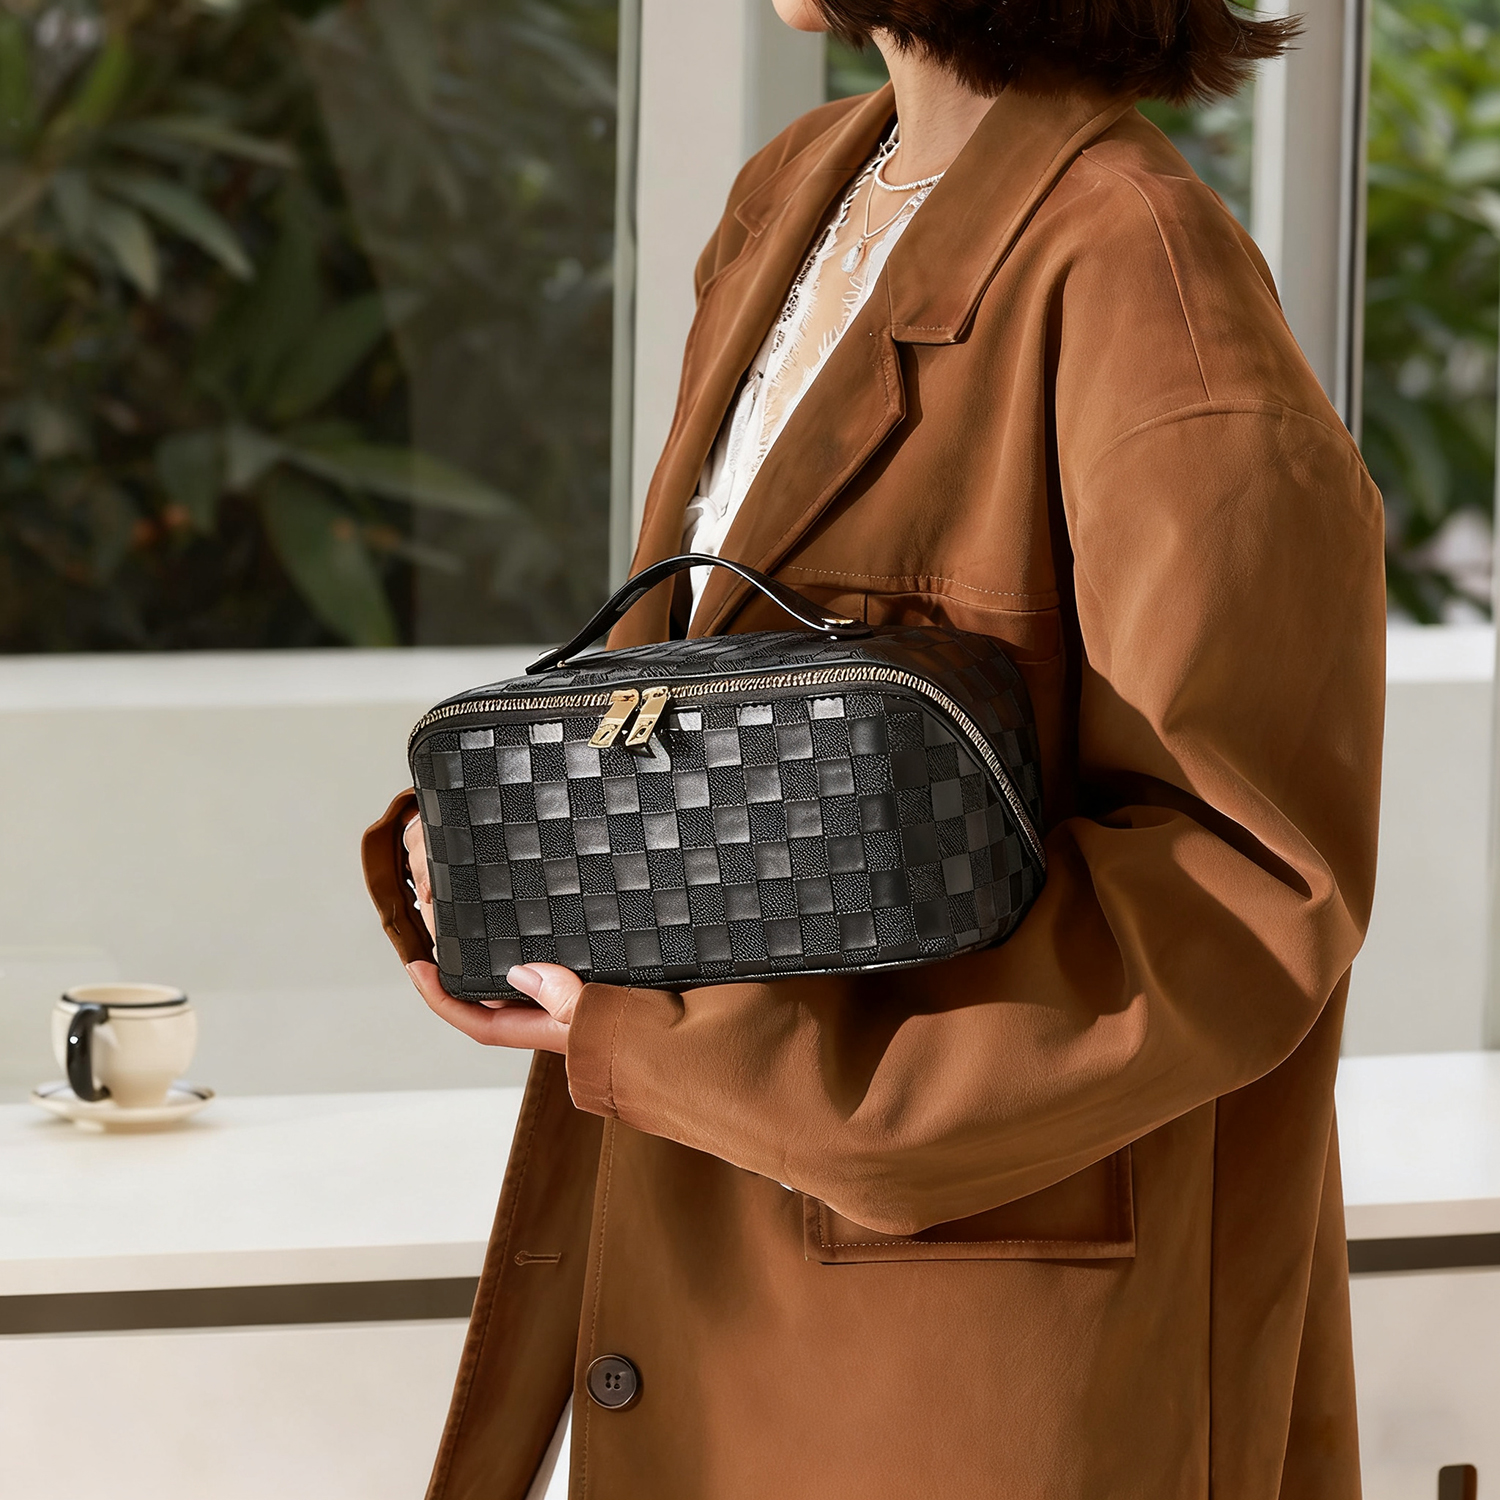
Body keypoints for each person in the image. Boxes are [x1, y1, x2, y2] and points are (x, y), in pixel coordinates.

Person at [362, 1, 1386, 1495]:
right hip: (726, 1274)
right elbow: (735, 698)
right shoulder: (801, 192)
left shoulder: (1144, 276)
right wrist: (523, 840)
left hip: (968, 1368)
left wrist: (699, 1058)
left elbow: (1242, 893)